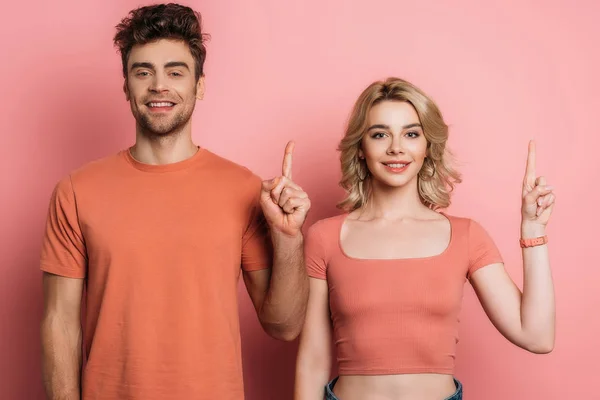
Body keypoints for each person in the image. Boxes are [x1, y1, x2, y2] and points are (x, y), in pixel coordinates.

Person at [39, 4, 310, 399]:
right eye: (143, 71)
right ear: (126, 85)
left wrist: (289, 238)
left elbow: (284, 325)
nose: (158, 86)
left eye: (175, 72)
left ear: (199, 86)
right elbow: (59, 322)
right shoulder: (76, 191)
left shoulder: (244, 188)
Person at [295, 77, 555, 400]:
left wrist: (533, 230)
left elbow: (538, 336)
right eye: (379, 134)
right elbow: (313, 362)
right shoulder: (324, 237)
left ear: (427, 145)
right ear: (360, 148)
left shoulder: (466, 236)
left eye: (411, 133)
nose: (396, 147)